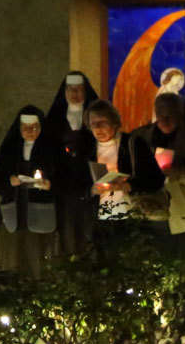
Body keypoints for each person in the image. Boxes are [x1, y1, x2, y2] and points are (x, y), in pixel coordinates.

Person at [68, 101, 166, 253]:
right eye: (93, 124)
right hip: (99, 222)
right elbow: (76, 184)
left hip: (131, 218)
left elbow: (156, 179)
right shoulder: (87, 149)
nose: (98, 128)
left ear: (114, 123)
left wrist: (128, 185)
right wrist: (92, 190)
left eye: (103, 122)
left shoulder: (132, 144)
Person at [129, 92, 185, 242]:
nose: (165, 120)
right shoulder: (140, 137)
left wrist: (180, 174)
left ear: (179, 114)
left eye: (170, 115)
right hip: (148, 215)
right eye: (161, 114)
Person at [0, 106, 70, 277]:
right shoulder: (9, 150)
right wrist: (9, 182)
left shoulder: (52, 150)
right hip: (14, 215)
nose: (30, 131)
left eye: (34, 127)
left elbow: (66, 180)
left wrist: (50, 185)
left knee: (39, 262)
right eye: (25, 128)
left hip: (41, 213)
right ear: (19, 129)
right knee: (12, 261)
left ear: (41, 128)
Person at [41, 71, 102, 156]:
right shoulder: (55, 116)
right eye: (70, 89)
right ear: (64, 91)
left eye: (79, 89)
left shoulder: (98, 115)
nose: (74, 92)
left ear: (85, 91)